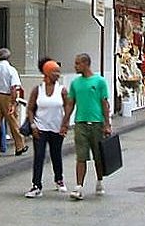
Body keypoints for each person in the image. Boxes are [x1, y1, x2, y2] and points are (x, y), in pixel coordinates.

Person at [60, 53, 111, 201]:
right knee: (81, 156)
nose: (75, 66)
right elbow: (70, 103)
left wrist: (107, 124)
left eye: (77, 64)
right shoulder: (75, 83)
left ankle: (99, 181)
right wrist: (65, 122)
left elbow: (104, 103)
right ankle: (79, 187)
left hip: (97, 123)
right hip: (80, 123)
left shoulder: (99, 81)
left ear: (85, 64)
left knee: (98, 156)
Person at [24, 58, 68, 198]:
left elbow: (68, 107)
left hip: (57, 128)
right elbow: (30, 108)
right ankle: (36, 185)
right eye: (55, 72)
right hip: (40, 127)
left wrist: (65, 124)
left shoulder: (62, 90)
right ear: (47, 73)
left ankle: (59, 179)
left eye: (58, 72)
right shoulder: (38, 90)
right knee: (39, 156)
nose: (58, 75)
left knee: (56, 154)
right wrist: (33, 125)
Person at [0, 48, 28, 158]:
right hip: (7, 97)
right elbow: (14, 88)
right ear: (8, 57)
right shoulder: (11, 70)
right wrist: (13, 103)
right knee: (13, 124)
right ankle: (20, 146)